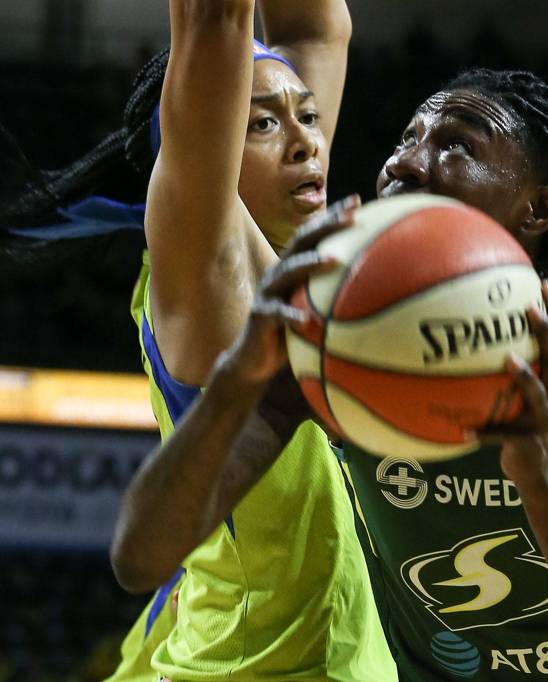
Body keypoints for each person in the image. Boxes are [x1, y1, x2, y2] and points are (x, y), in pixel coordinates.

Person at [110, 69, 548, 681]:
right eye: (406, 139)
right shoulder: (340, 337)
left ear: (536, 209)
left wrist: (542, 477)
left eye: (456, 144)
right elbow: (142, 556)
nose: (405, 163)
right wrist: (241, 377)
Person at [2, 1, 395, 680]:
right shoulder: (211, 271)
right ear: (198, 153)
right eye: (264, 124)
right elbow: (215, 22)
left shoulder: (291, 253)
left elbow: (314, 28)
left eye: (308, 115)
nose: (307, 140)